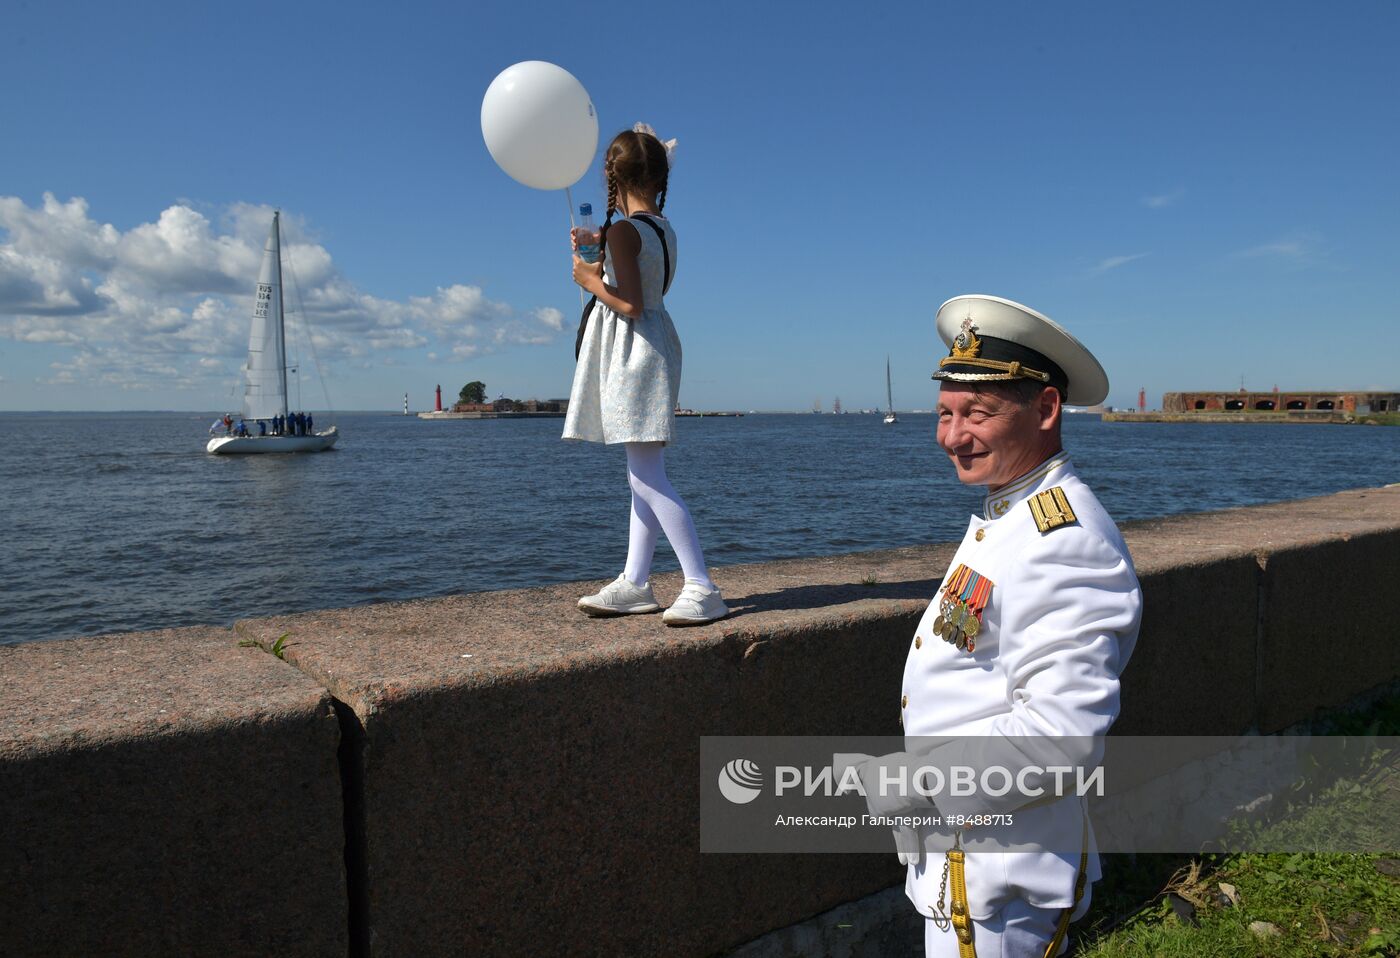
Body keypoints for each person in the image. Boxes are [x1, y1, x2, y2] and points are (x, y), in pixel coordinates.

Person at [857, 295, 1141, 958]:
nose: (952, 437)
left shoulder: (1063, 539)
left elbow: (1063, 734)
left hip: (997, 878)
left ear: (1046, 409)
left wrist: (918, 785)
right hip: (973, 859)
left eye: (977, 414)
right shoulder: (1015, 514)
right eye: (946, 414)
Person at [562, 124, 727, 626]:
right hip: (656, 345)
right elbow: (644, 285)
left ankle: (701, 585)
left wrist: (591, 278)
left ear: (612, 178)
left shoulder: (623, 231)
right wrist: (603, 252)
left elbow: (629, 303)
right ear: (658, 177)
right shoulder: (660, 229)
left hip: (634, 354)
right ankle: (635, 581)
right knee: (642, 472)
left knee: (645, 475)